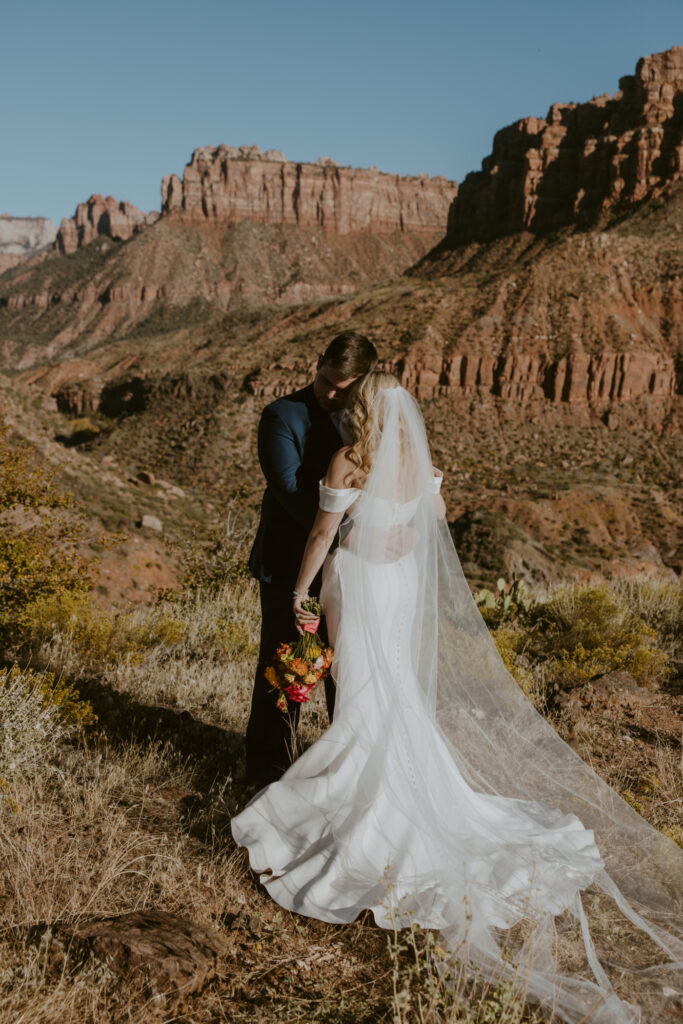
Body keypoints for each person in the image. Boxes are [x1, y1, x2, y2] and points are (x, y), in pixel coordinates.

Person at [232, 371, 683, 1024]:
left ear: (362, 410)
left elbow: (320, 534)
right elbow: (432, 525)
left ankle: (367, 811)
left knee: (362, 692)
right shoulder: (416, 460)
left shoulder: (350, 458)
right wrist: (400, 538)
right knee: (392, 694)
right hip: (399, 586)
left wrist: (300, 594)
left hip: (358, 583)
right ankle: (397, 791)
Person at [245, 331, 378, 788]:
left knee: (348, 671)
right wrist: (357, 527)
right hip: (288, 565)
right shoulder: (282, 415)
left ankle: (343, 775)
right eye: (327, 380)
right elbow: (290, 494)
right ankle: (268, 770)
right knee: (284, 668)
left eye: (346, 387)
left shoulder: (370, 425)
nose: (332, 392)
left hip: (352, 574)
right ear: (317, 364)